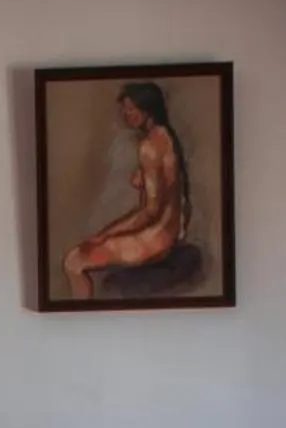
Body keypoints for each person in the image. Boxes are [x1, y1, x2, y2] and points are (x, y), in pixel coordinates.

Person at [62, 81, 192, 299]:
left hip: (154, 238)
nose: (125, 114)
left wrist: (104, 235)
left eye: (131, 109)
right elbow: (176, 193)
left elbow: (149, 211)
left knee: (73, 262)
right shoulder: (166, 137)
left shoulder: (149, 147)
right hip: (169, 232)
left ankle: (81, 321)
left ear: (147, 109)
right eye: (125, 108)